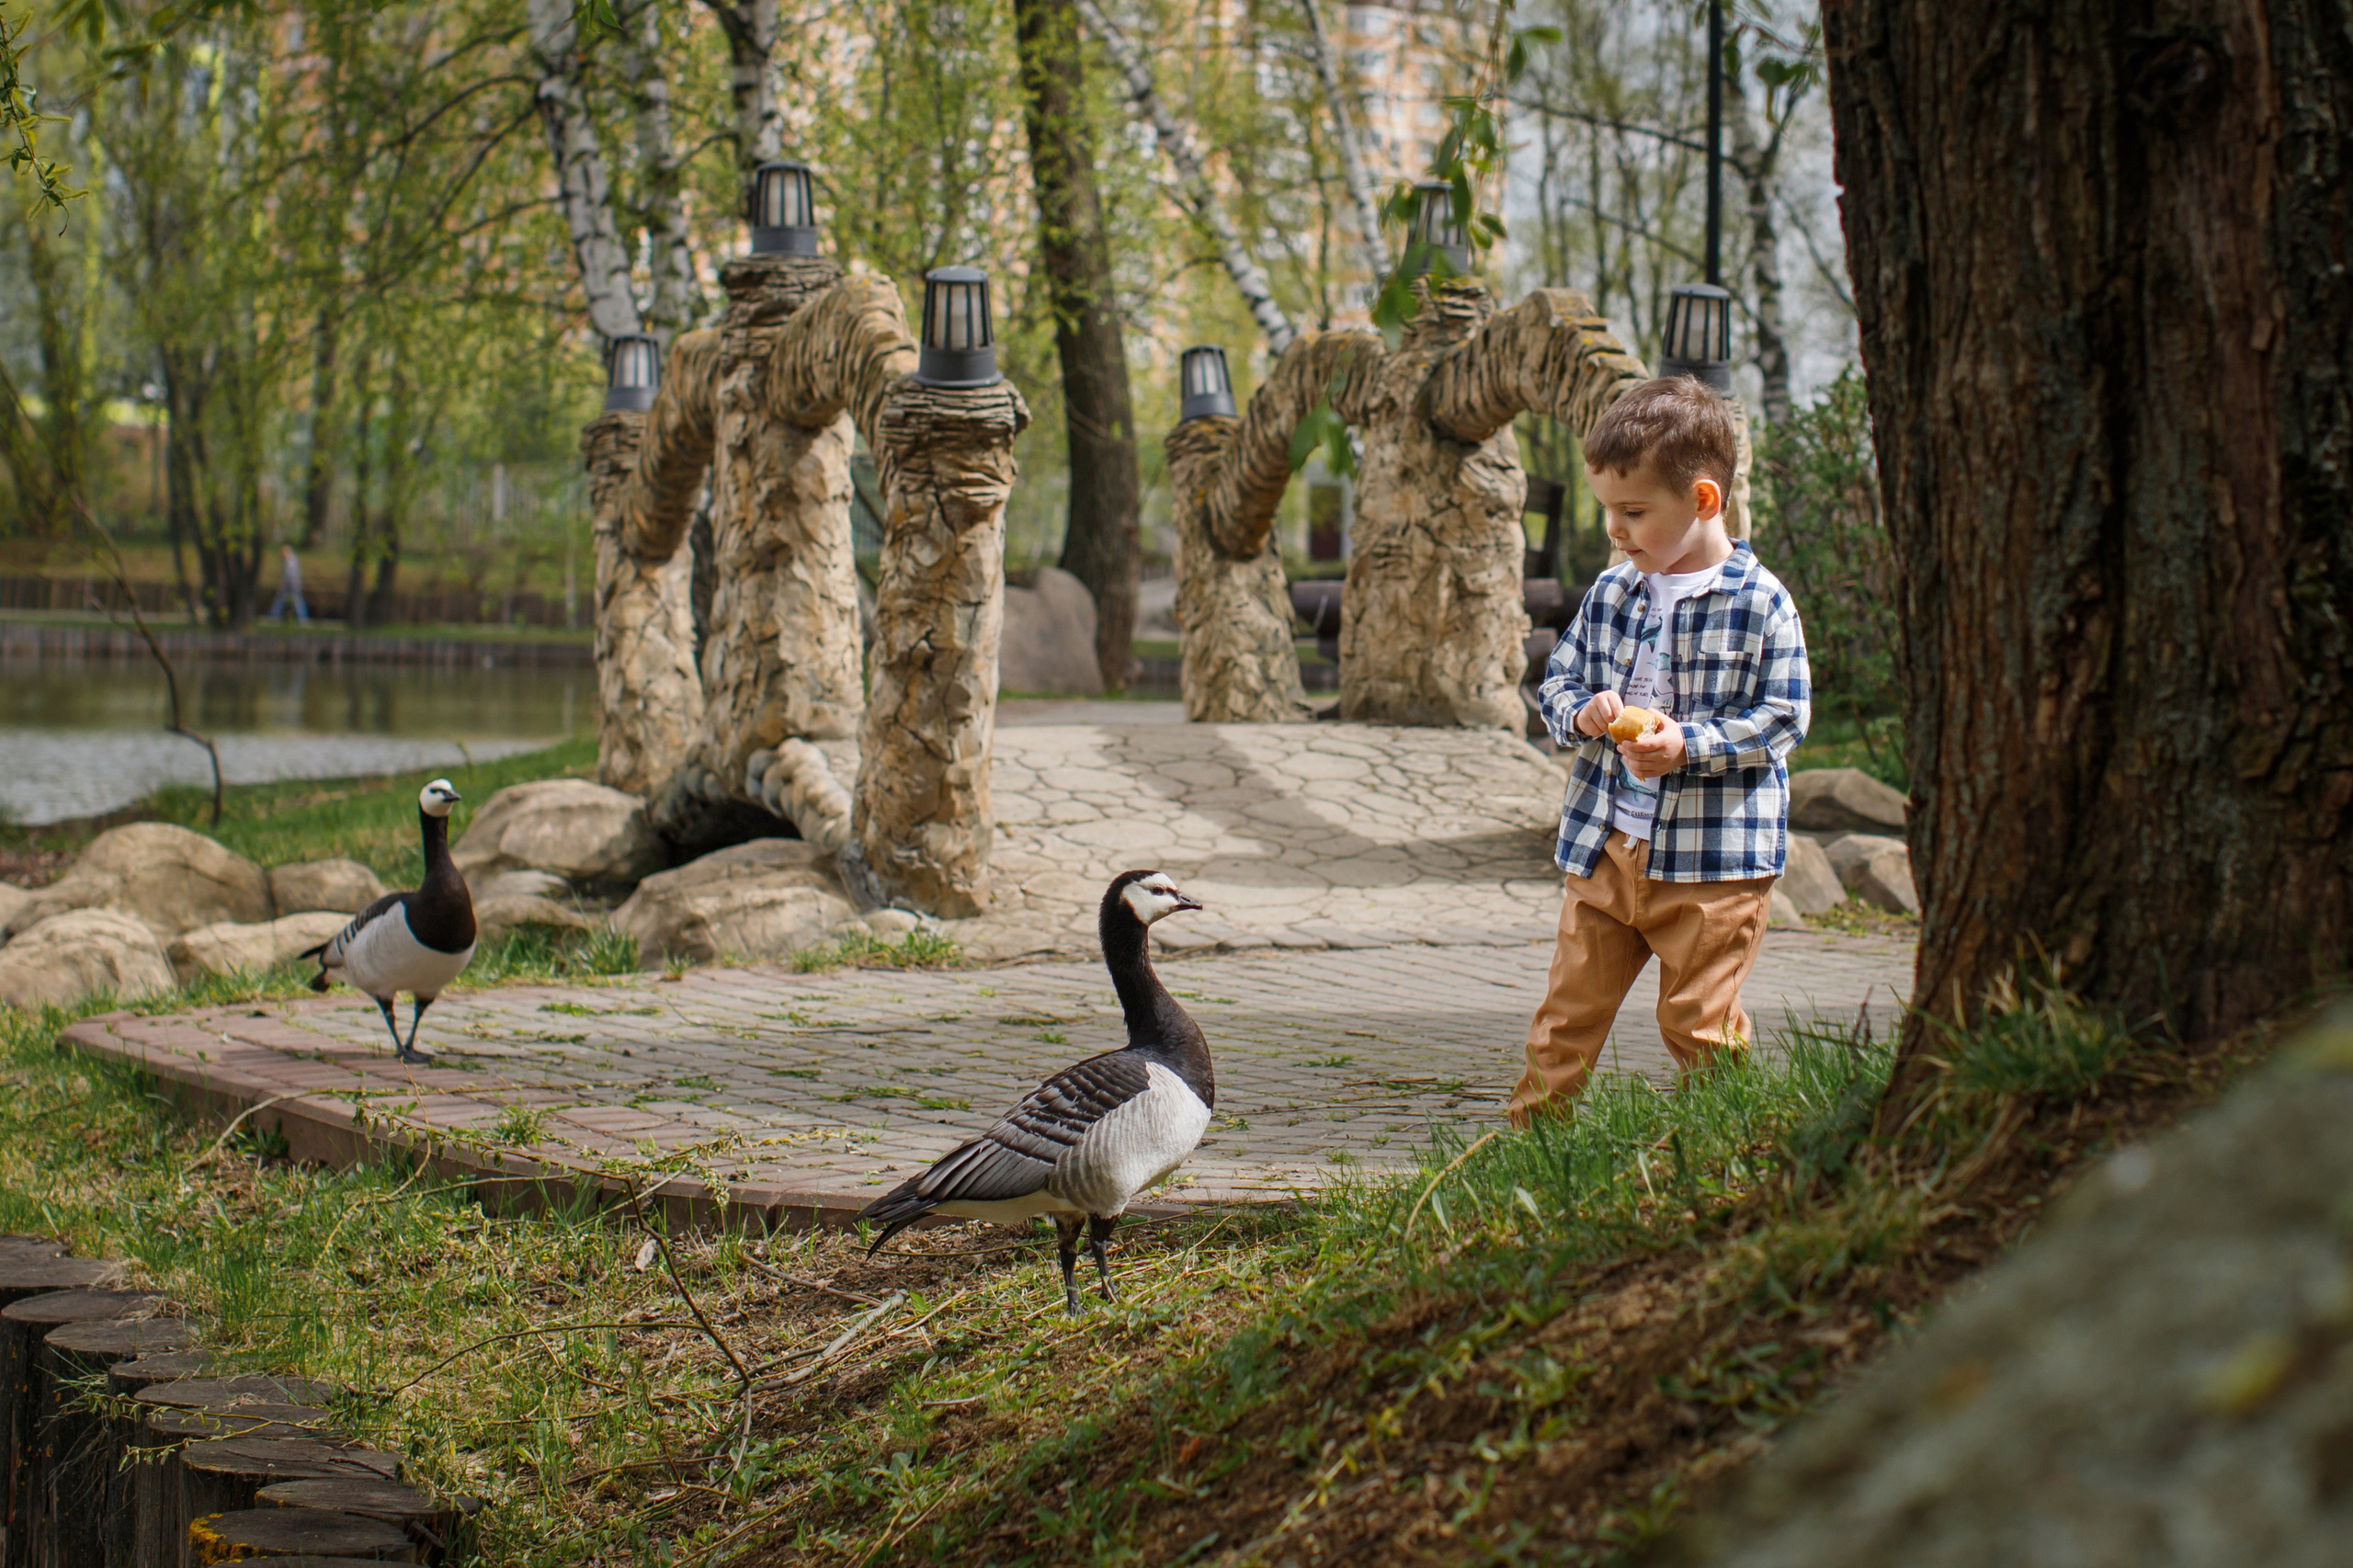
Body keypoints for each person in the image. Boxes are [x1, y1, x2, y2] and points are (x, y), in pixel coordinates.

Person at [1510, 377, 1811, 1125]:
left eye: (1634, 511)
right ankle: (1530, 1146)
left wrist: (1690, 745)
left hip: (1715, 866)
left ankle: (1720, 1145)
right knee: (1565, 1020)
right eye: (1608, 509)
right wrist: (1583, 711)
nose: (1615, 529)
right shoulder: (1615, 591)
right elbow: (1560, 680)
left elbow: (1783, 716)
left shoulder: (1760, 601)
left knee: (1698, 1023)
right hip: (1610, 850)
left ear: (1703, 501)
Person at [267, 542, 309, 623]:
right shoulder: (292, 559)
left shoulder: (290, 560)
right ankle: (274, 616)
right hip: (293, 583)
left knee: (291, 600)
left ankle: (274, 616)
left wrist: (282, 584)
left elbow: (289, 574)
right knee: (288, 600)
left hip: (292, 584)